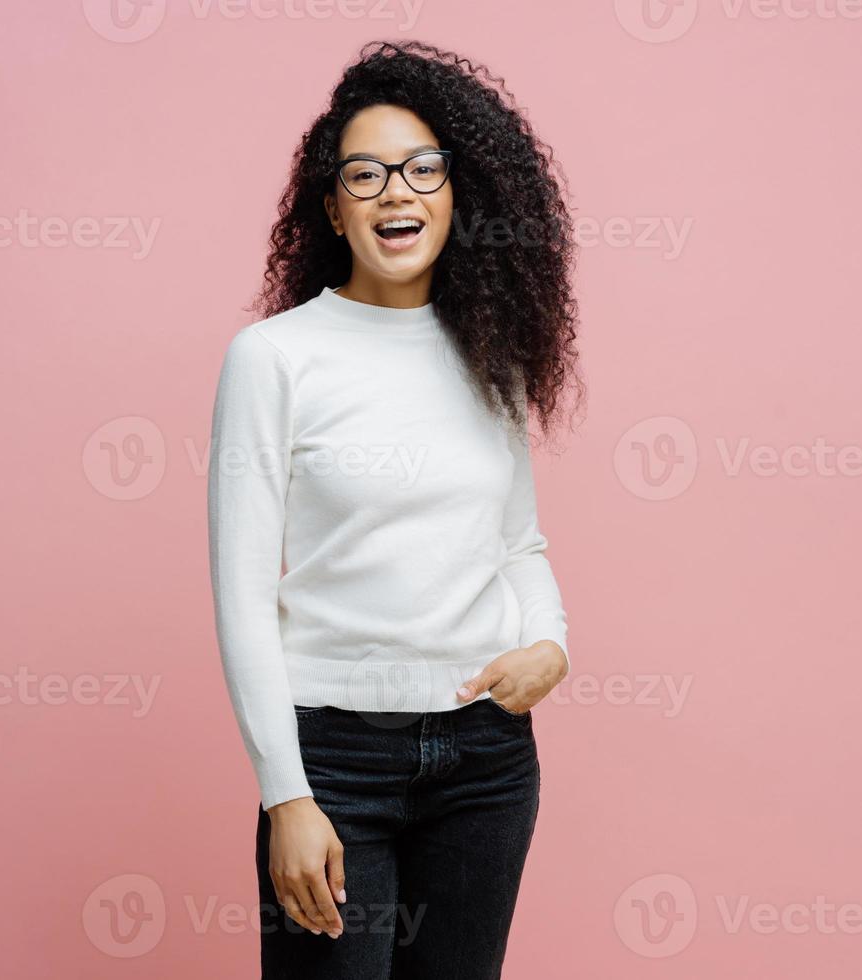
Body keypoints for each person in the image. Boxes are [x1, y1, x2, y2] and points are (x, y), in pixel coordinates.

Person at [207, 39, 583, 979]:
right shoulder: (275, 359)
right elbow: (243, 594)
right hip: (333, 764)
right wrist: (284, 795)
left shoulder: (488, 352)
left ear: (460, 193)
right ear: (330, 205)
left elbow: (519, 543)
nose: (395, 193)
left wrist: (551, 644)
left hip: (488, 765)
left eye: (423, 169)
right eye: (364, 173)